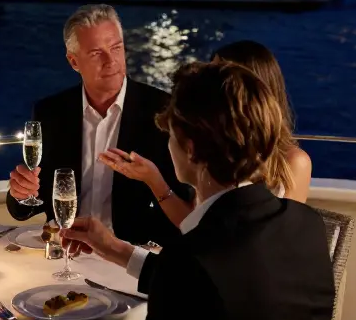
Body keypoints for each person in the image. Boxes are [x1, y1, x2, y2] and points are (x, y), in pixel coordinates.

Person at [40, 61, 335, 320]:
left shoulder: (194, 260)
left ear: (191, 149)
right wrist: (115, 249)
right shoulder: (304, 224)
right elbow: (221, 289)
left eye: (171, 134)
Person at [5, 4, 188, 247]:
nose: (111, 61)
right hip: (67, 251)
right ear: (73, 61)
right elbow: (27, 205)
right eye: (96, 53)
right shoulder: (51, 112)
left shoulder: (163, 111)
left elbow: (184, 207)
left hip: (134, 254)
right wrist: (22, 192)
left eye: (116, 48)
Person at [99, 39, 313, 227]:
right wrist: (152, 178)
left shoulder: (294, 163)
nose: (206, 82)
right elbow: (195, 225)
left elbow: (281, 242)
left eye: (218, 73)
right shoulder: (215, 154)